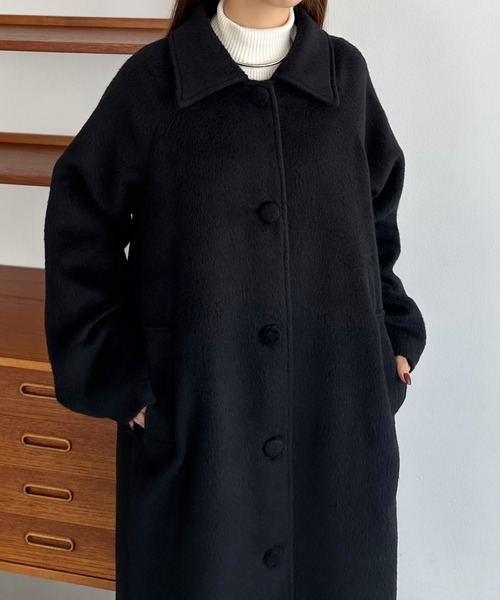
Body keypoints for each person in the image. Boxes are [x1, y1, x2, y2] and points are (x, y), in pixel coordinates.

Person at [44, 0, 427, 598]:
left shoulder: (343, 77)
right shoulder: (155, 82)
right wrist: (117, 374)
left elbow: (375, 220)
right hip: (203, 432)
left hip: (336, 427)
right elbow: (80, 224)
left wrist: (394, 337)